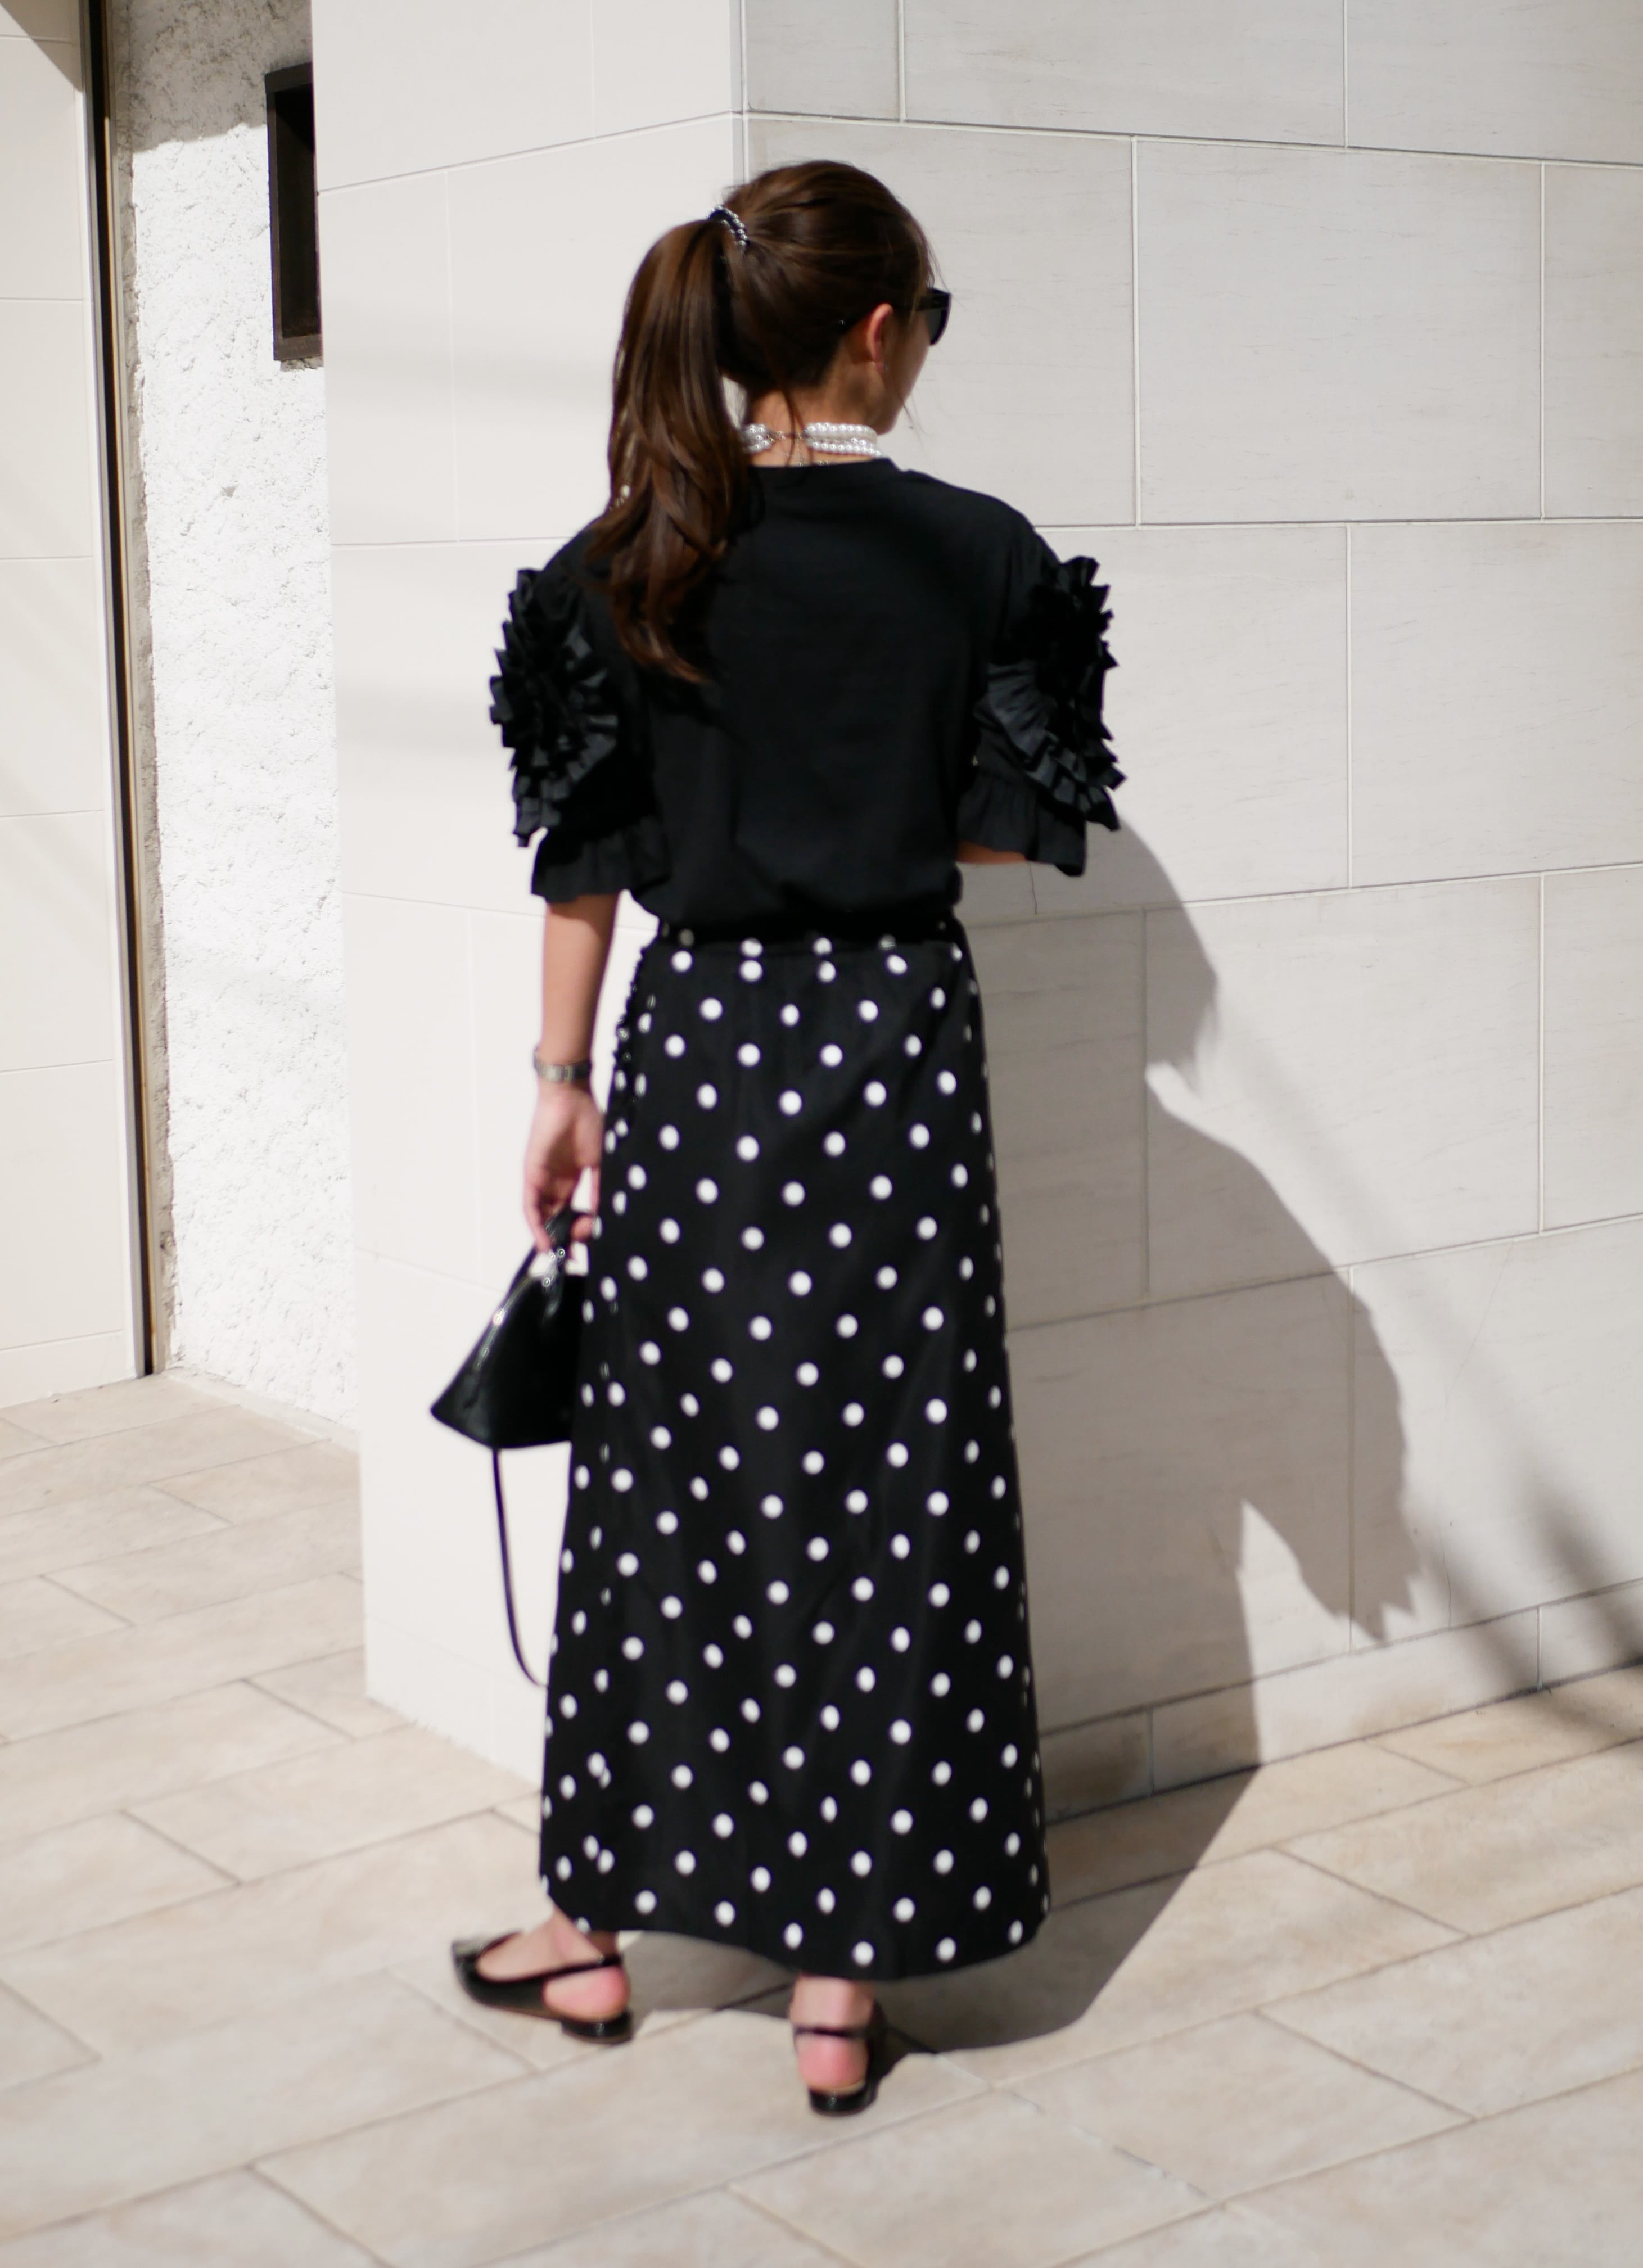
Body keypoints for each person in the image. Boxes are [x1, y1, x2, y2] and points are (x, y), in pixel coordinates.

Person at [452, 159, 1120, 2115]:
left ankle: (593, 1931)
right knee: (898, 1491)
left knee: (674, 1486)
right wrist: (873, 787)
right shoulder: (979, 554)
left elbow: (584, 861)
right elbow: (1015, 827)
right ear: (878, 332)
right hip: (895, 1045)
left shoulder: (625, 557)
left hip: (705, 1052)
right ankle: (840, 1986)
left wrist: (561, 1080)